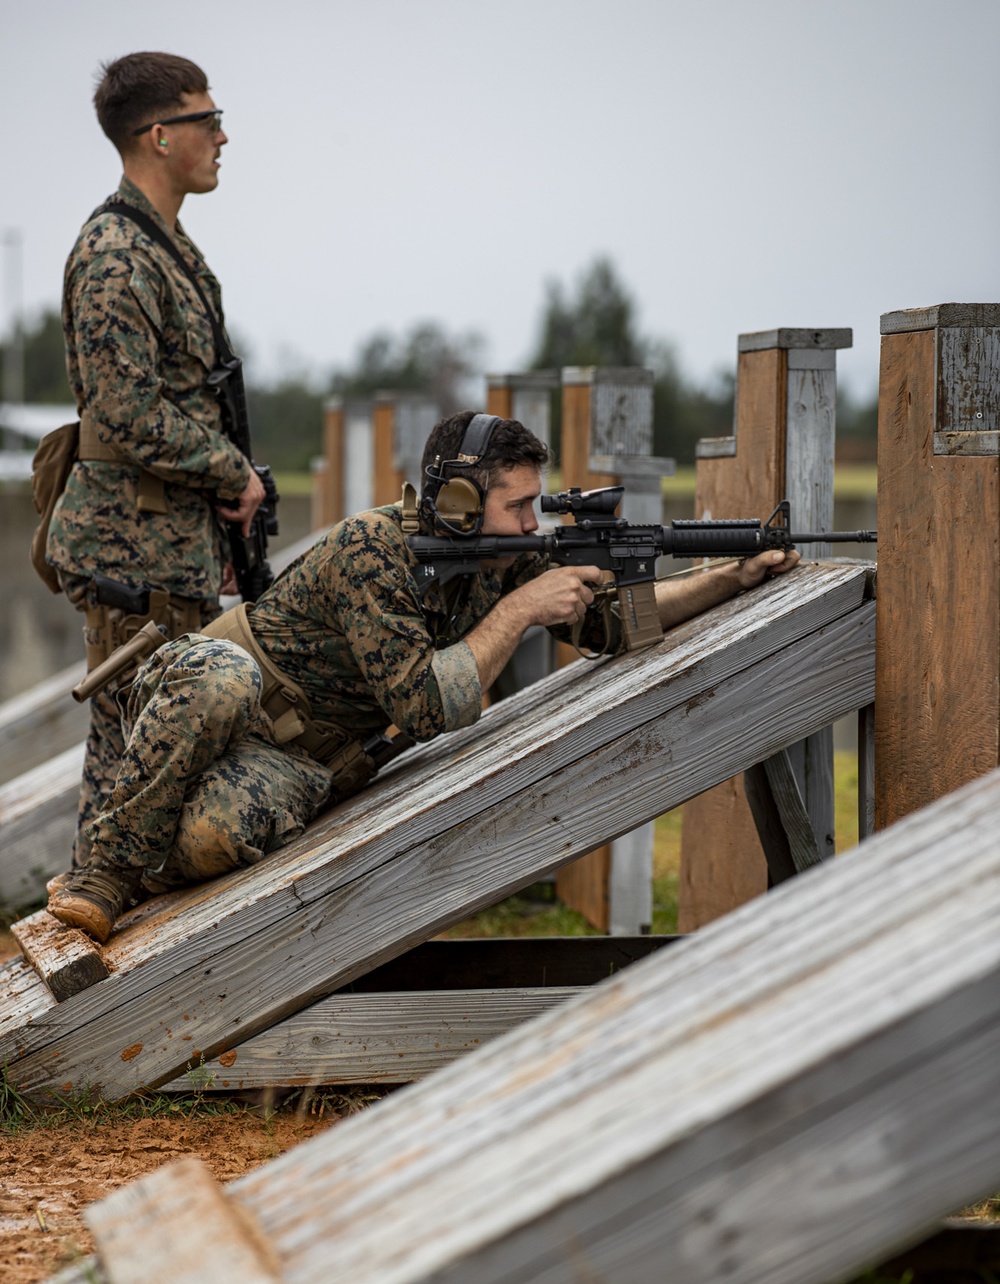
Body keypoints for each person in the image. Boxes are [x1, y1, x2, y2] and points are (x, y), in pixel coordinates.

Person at [47, 411, 799, 944]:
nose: (532, 525)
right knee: (217, 682)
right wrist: (522, 611)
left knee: (216, 837)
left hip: (298, 757)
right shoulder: (375, 551)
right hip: (223, 690)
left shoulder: (501, 558)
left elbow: (612, 625)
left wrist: (730, 577)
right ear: (461, 506)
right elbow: (424, 705)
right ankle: (101, 876)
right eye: (519, 506)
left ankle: (144, 864)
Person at [47, 51, 265, 867]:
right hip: (128, 555)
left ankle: (101, 928)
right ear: (160, 134)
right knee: (127, 771)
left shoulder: (168, 245)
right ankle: (90, 943)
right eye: (209, 121)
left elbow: (189, 396)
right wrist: (230, 471)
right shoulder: (117, 254)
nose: (223, 137)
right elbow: (126, 409)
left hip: (168, 549)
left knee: (143, 765)